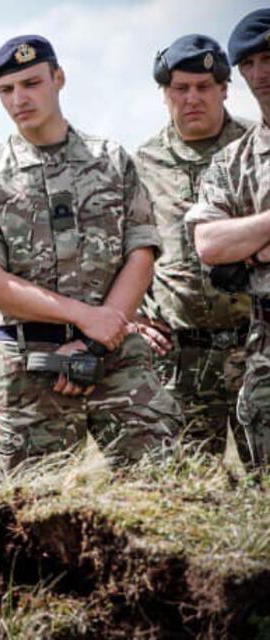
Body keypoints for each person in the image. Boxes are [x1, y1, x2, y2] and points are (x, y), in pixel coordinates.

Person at [0, 35, 180, 476]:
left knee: (158, 486)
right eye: (7, 90)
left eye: (31, 83)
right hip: (27, 369)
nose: (20, 98)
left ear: (58, 79)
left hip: (117, 358)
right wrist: (83, 316)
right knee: (37, 518)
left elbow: (142, 252)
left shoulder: (111, 160)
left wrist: (96, 338)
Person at [133, 35, 252, 462]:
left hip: (257, 346)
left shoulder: (256, 148)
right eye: (180, 88)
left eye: (204, 86)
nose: (192, 98)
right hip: (181, 356)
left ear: (224, 88)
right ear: (165, 94)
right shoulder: (141, 163)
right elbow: (116, 252)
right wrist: (131, 318)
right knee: (186, 488)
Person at [188, 8, 270, 467]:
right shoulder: (232, 163)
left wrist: (252, 241)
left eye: (269, 57)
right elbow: (211, 245)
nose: (261, 73)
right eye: (250, 63)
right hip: (264, 349)